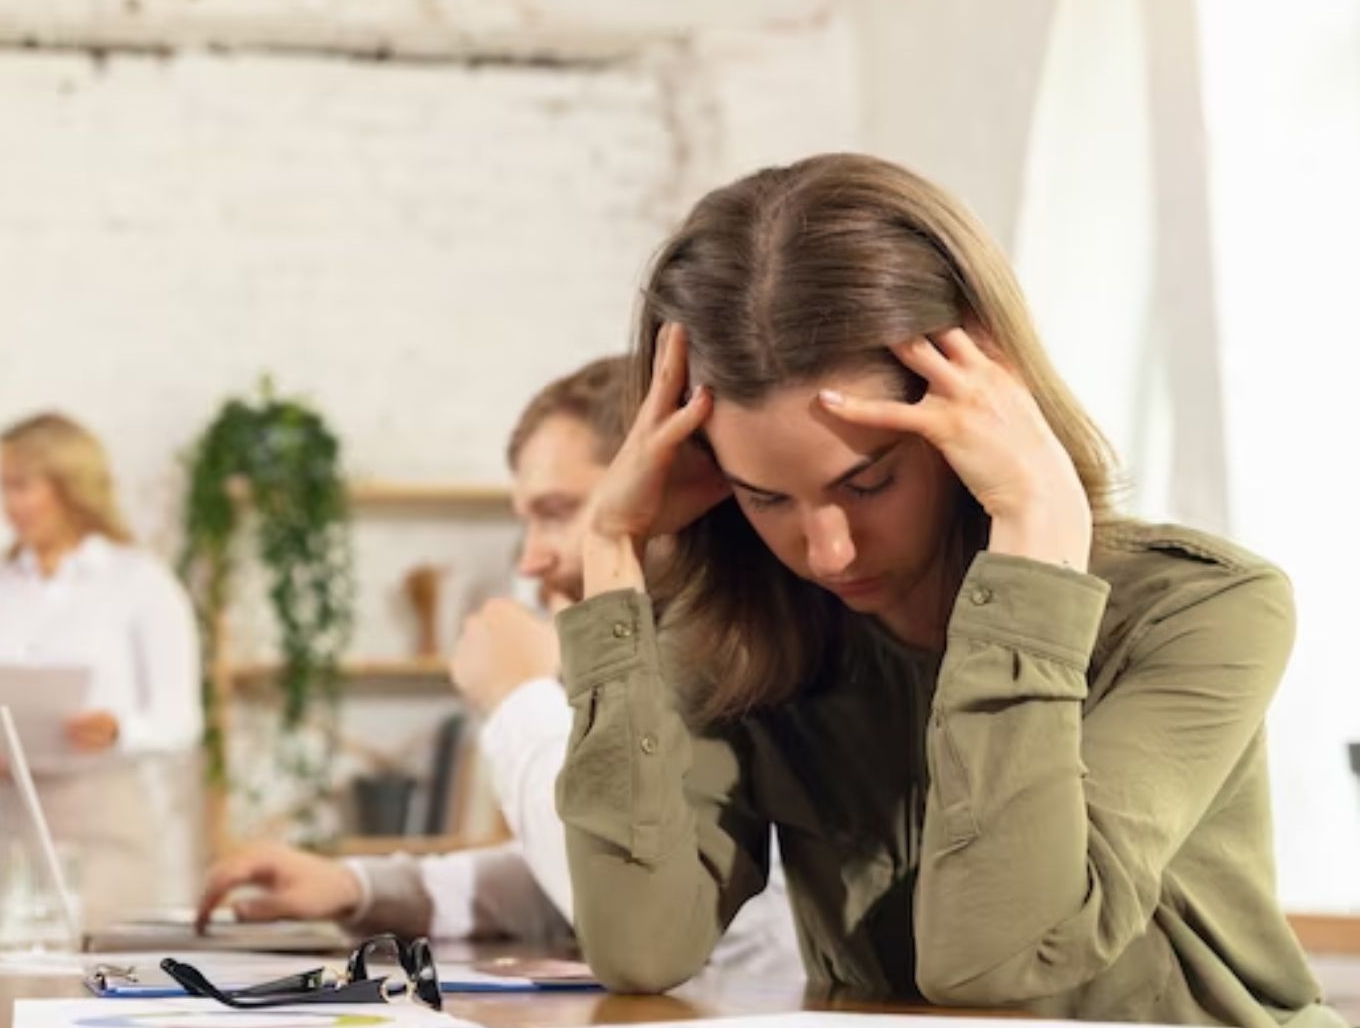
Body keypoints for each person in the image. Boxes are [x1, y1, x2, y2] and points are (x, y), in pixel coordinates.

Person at [559, 152, 1339, 1025]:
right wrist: (610, 549)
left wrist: (1037, 533)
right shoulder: (745, 637)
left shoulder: (1205, 610)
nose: (825, 549)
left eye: (869, 482)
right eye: (765, 496)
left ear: (978, 403)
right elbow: (639, 944)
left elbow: (1001, 959)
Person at [196, 359, 801, 975]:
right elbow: (595, 861)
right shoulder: (654, 646)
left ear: (663, 484)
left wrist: (517, 698)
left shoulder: (740, 661)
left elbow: (648, 915)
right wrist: (359, 886)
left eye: (558, 511)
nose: (532, 559)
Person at [0, 412, 202, 924]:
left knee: (96, 978)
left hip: (103, 820)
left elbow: (182, 721)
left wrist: (118, 730)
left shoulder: (141, 583)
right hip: (9, 819)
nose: (9, 505)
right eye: (2, 487)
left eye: (22, 487)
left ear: (69, 486)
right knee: (1, 983)